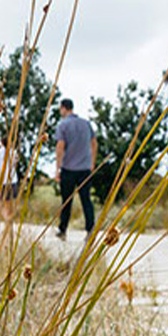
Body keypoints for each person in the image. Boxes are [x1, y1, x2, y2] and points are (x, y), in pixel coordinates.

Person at [54, 99, 97, 240]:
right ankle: (90, 230)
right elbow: (94, 143)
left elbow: (60, 146)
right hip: (85, 168)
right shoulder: (86, 124)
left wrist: (57, 168)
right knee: (86, 200)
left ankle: (63, 230)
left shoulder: (63, 125)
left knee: (66, 200)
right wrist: (92, 163)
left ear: (64, 108)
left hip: (68, 168)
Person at [0, 134, 20, 229]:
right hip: (12, 180)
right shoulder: (14, 152)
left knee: (1, 202)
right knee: (10, 202)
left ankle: (6, 218)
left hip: (1, 181)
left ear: (1, 143)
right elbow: (15, 164)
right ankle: (9, 219)